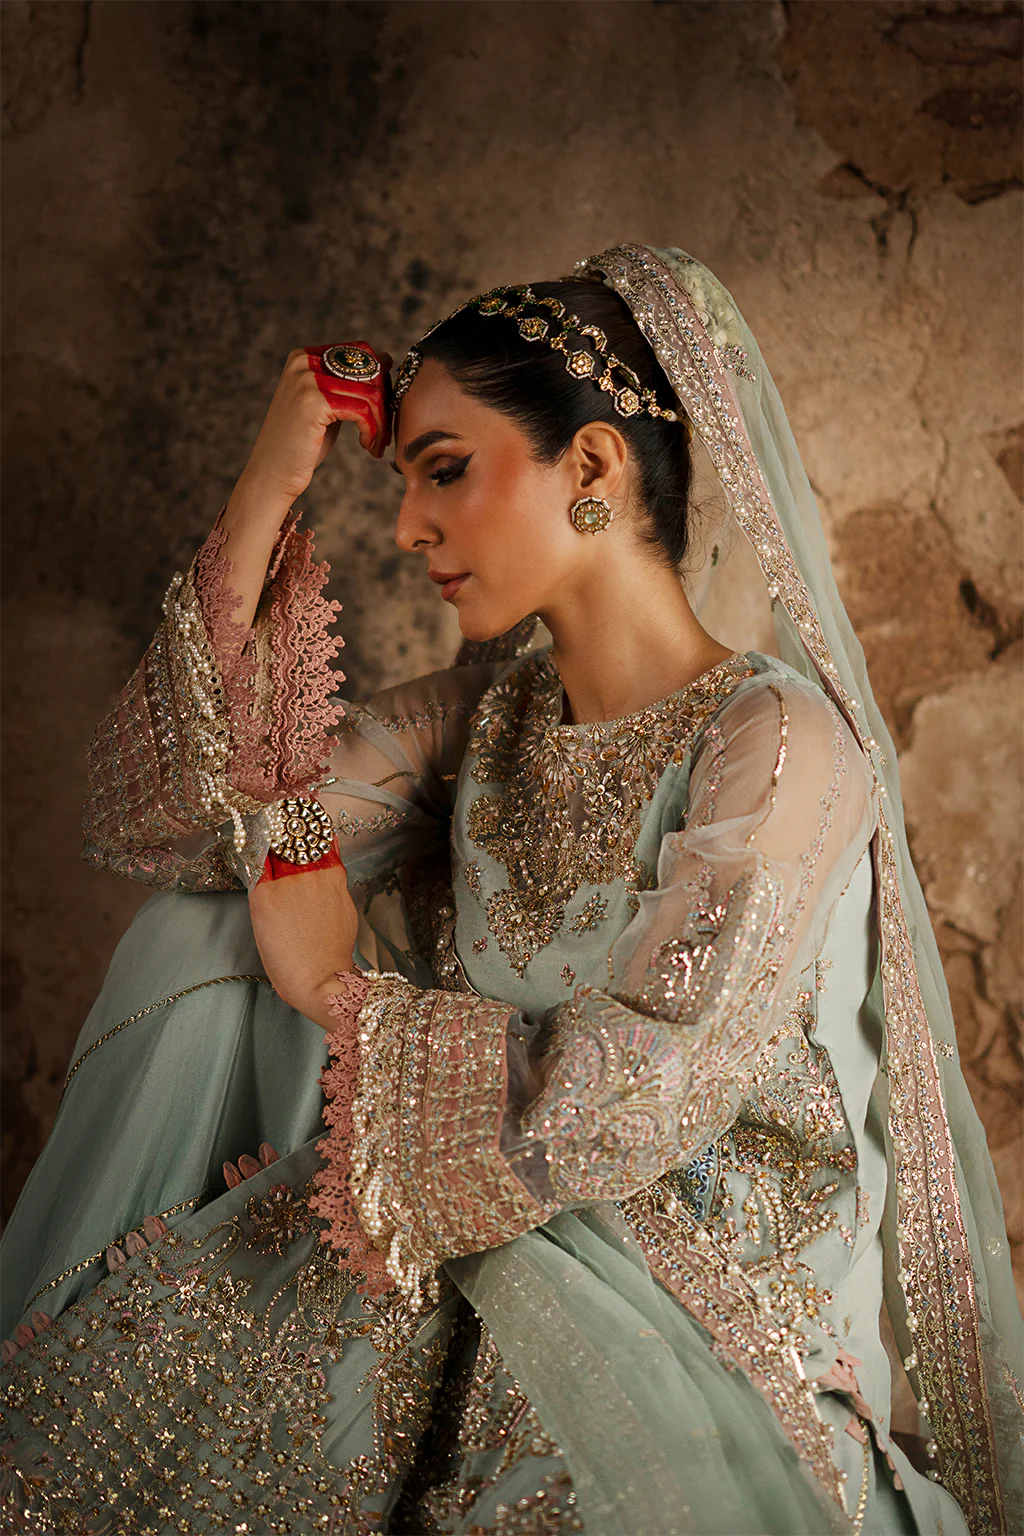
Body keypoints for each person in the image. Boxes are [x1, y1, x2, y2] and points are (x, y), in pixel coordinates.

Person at [0, 245, 1019, 1536]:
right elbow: (186, 832)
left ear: (590, 467)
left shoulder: (774, 741)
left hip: (697, 1308)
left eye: (444, 470)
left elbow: (640, 1089)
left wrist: (340, 992)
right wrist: (267, 487)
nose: (408, 528)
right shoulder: (482, 724)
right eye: (404, 483)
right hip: (468, 1240)